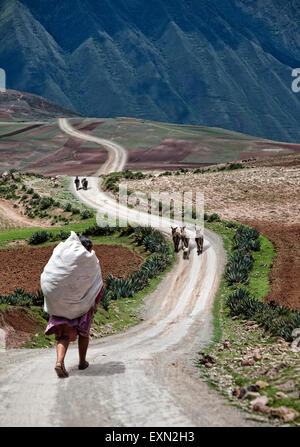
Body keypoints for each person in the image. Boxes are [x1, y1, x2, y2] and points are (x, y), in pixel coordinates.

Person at [44, 235, 103, 378]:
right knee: (84, 334)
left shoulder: (63, 257)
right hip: (83, 305)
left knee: (64, 335)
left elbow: (51, 276)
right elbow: (98, 285)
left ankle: (59, 362)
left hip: (61, 305)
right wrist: (95, 303)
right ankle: (82, 362)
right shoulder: (89, 263)